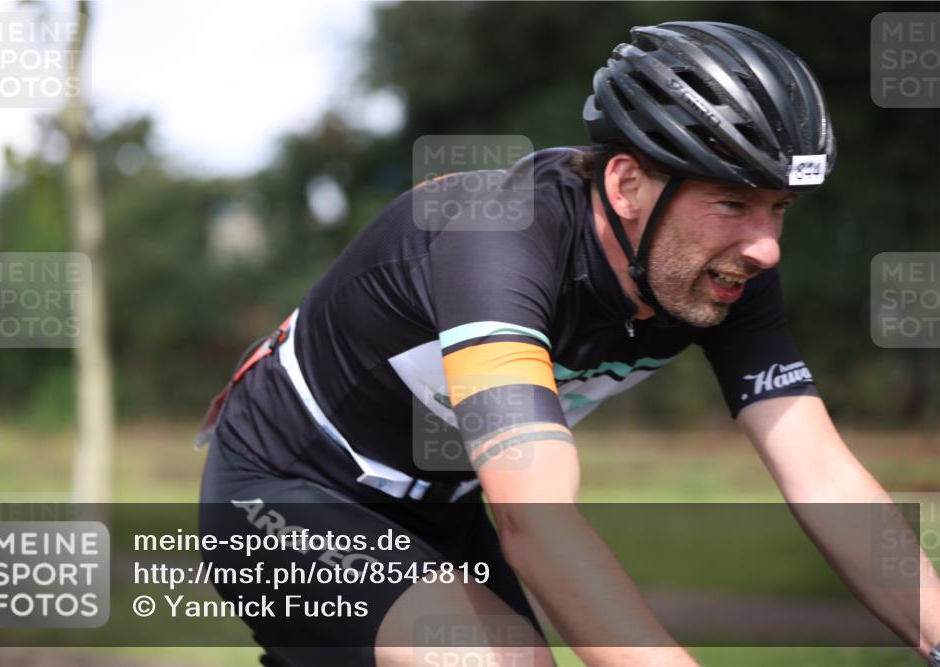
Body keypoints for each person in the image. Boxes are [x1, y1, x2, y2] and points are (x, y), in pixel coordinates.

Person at [198, 20, 940, 667]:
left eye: (779, 208)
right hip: (288, 487)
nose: (765, 246)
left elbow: (821, 473)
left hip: (445, 504)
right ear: (626, 183)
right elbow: (537, 519)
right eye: (733, 202)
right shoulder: (502, 237)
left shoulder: (719, 268)